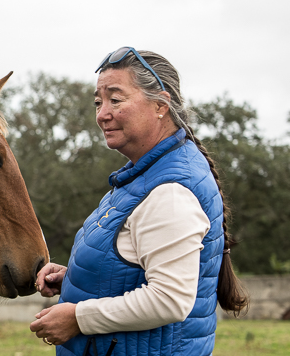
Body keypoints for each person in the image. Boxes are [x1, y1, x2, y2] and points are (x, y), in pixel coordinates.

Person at [29, 47, 249, 355]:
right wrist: (79, 277)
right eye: (98, 102)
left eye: (115, 100)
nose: (102, 113)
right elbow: (138, 263)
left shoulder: (170, 190)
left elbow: (169, 299)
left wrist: (79, 318)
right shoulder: (145, 176)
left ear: (160, 105)